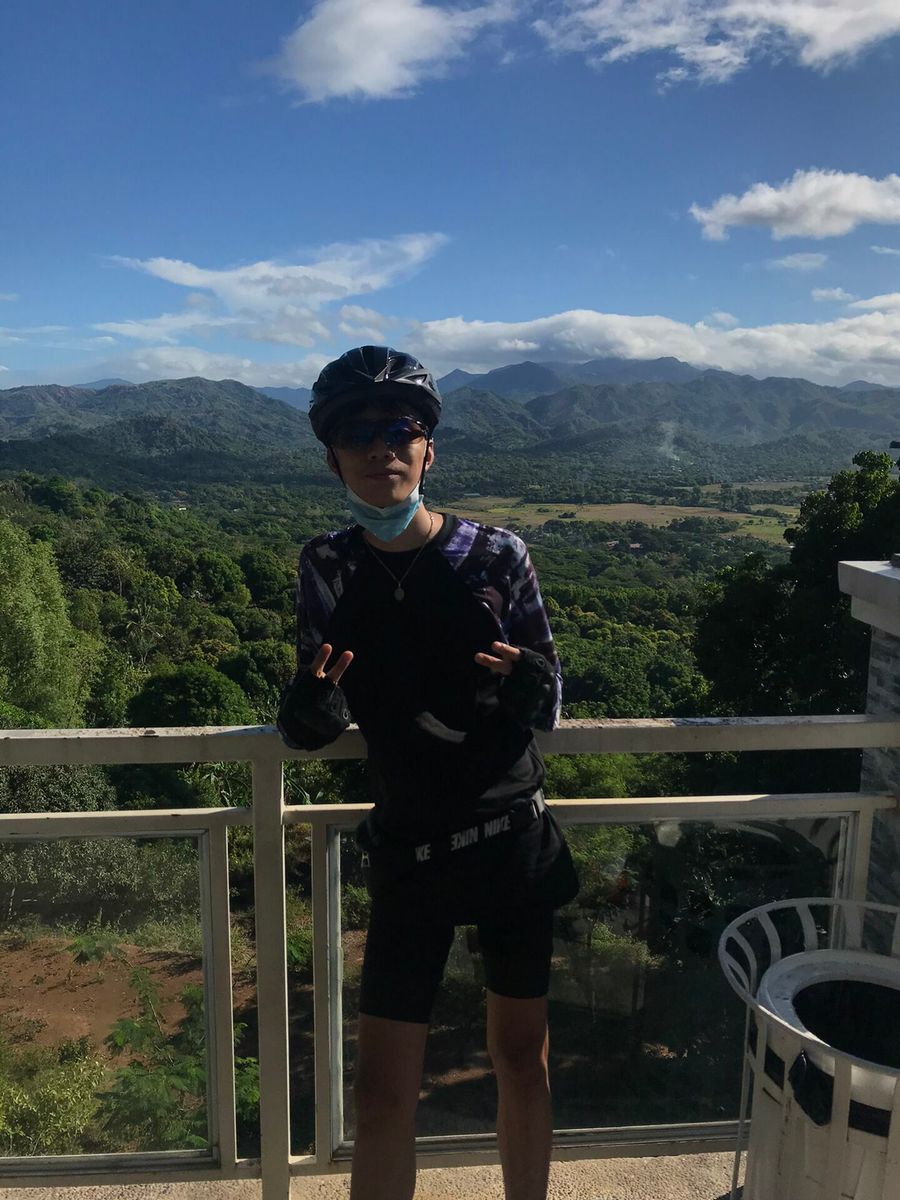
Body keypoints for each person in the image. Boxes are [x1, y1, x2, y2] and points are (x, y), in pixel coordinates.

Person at [277, 345, 579, 1200]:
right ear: (333, 458)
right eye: (357, 433)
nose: (381, 447)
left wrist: (534, 686)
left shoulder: (497, 555)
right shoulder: (327, 565)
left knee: (522, 1061)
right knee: (381, 1091)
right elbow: (318, 692)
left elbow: (550, 696)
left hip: (511, 836)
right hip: (409, 843)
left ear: (428, 450)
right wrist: (306, 715)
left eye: (400, 429)